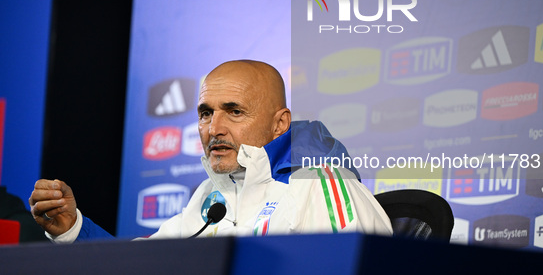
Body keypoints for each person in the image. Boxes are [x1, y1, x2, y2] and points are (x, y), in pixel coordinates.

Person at [29, 60, 393, 241]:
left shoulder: (320, 187)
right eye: (206, 113)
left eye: (234, 111)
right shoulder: (211, 197)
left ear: (280, 124)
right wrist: (72, 228)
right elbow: (141, 264)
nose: (213, 129)